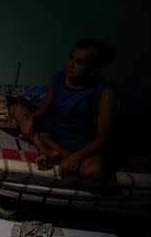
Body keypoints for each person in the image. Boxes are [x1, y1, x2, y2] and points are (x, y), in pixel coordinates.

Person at [11, 39, 116, 179]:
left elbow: (103, 136)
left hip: (81, 142)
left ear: (93, 68)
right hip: (52, 135)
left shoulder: (104, 91)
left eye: (80, 62)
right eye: (71, 57)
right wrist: (32, 118)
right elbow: (43, 108)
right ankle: (47, 152)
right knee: (18, 110)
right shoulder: (58, 78)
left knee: (94, 169)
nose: (70, 65)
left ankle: (59, 156)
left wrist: (76, 156)